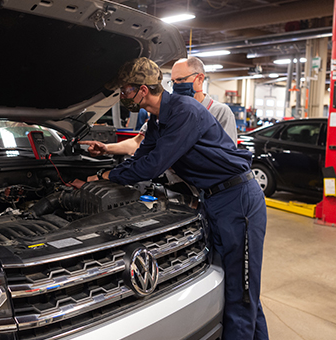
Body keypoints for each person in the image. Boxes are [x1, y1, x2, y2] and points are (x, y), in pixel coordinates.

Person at [89, 57, 269, 340]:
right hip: (213, 200)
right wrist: (105, 173)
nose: (123, 97)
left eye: (125, 91)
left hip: (238, 200)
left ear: (142, 90)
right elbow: (141, 156)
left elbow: (153, 165)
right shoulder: (157, 120)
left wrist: (102, 179)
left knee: (241, 292)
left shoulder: (185, 111)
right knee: (240, 288)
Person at [79, 56, 237, 157]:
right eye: (172, 82)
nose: (175, 86)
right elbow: (137, 143)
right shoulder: (165, 113)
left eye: (180, 80)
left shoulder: (220, 112)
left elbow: (226, 157)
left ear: (199, 79)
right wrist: (107, 148)